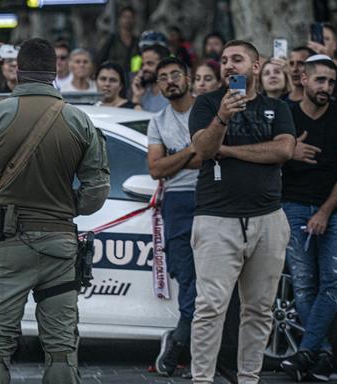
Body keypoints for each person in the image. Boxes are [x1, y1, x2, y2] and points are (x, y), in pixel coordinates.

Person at [0, 37, 109, 384]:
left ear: (17, 70)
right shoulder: (79, 121)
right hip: (60, 246)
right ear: (55, 71)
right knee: (61, 347)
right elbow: (96, 195)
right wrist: (62, 207)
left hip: (7, 246)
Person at [188, 40, 295, 384]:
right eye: (224, 61)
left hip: (268, 219)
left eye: (237, 59)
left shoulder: (276, 108)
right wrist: (223, 116)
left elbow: (283, 150)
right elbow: (204, 149)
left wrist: (231, 152)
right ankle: (201, 379)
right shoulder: (206, 104)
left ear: (257, 65)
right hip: (217, 219)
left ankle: (249, 378)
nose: (229, 66)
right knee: (209, 308)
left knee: (259, 310)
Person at [278, 55, 337, 382]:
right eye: (320, 80)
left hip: (335, 212)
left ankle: (305, 353)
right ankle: (324, 354)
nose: (327, 87)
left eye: (331, 81)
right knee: (302, 286)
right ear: (304, 80)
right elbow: (270, 161)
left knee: (331, 283)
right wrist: (289, 150)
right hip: (292, 208)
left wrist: (325, 212)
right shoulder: (286, 117)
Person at [146, 57, 202, 376]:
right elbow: (155, 168)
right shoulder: (158, 120)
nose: (170, 81)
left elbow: (210, 156)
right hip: (177, 202)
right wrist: (190, 152)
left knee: (208, 276)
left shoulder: (205, 110)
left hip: (210, 196)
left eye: (175, 75)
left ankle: (180, 339)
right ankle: (185, 341)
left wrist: (174, 159)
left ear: (188, 78)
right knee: (185, 273)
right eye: (163, 77)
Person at [130, 44, 170, 112]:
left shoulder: (172, 95)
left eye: (150, 63)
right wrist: (136, 96)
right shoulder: (143, 92)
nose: (144, 68)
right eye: (143, 64)